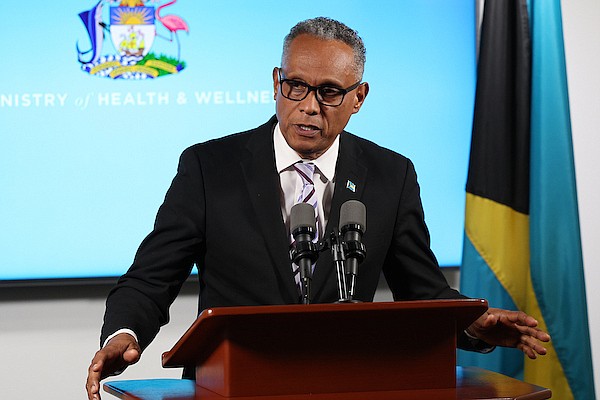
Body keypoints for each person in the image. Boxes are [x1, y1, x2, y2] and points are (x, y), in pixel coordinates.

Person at [86, 17, 550, 400]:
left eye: (329, 92)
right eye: (296, 87)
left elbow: (422, 290)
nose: (309, 107)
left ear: (358, 98)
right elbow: (151, 277)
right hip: (231, 390)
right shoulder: (210, 167)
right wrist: (122, 335)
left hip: (348, 388)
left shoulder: (391, 175)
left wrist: (473, 322)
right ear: (275, 82)